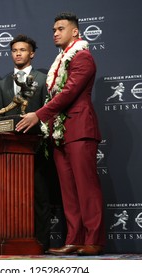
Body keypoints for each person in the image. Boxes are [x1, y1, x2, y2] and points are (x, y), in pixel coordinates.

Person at [16, 12, 105, 256]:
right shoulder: (60, 60)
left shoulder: (83, 57)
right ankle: (74, 239)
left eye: (60, 28)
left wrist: (39, 114)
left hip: (80, 129)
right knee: (68, 191)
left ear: (75, 32)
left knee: (86, 188)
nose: (55, 32)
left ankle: (94, 240)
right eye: (53, 29)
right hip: (59, 132)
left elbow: (68, 93)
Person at [0, 34, 51, 251]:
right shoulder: (2, 83)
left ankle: (42, 243)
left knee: (40, 196)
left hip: (36, 148)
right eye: (14, 50)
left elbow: (49, 111)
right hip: (8, 152)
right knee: (9, 198)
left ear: (32, 54)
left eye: (23, 50)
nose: (18, 53)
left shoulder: (43, 79)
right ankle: (10, 242)